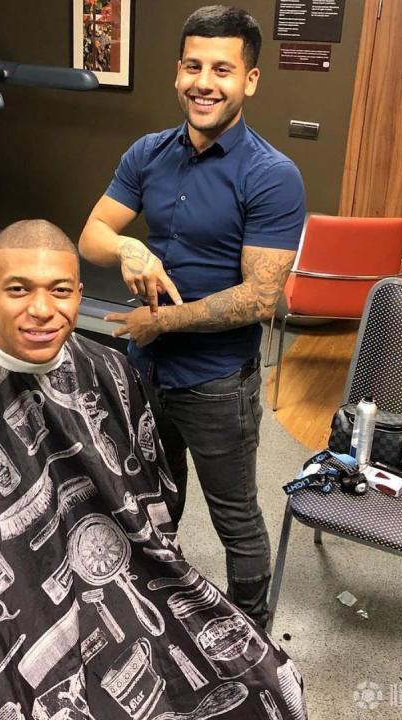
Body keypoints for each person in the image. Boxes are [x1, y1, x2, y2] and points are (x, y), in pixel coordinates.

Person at [0, 220, 307, 719]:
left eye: (59, 291)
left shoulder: (110, 370)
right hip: (15, 622)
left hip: (127, 582)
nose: (42, 309)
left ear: (79, 295)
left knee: (270, 686)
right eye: (19, 290)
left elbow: (152, 503)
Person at [79, 5, 306, 628]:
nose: (204, 83)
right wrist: (127, 247)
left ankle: (254, 642)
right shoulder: (148, 153)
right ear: (178, 71)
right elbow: (92, 234)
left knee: (235, 518)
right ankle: (160, 612)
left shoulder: (271, 176)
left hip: (216, 384)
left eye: (222, 70)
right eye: (193, 66)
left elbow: (259, 298)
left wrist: (161, 324)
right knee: (152, 498)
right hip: (144, 372)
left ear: (249, 80)